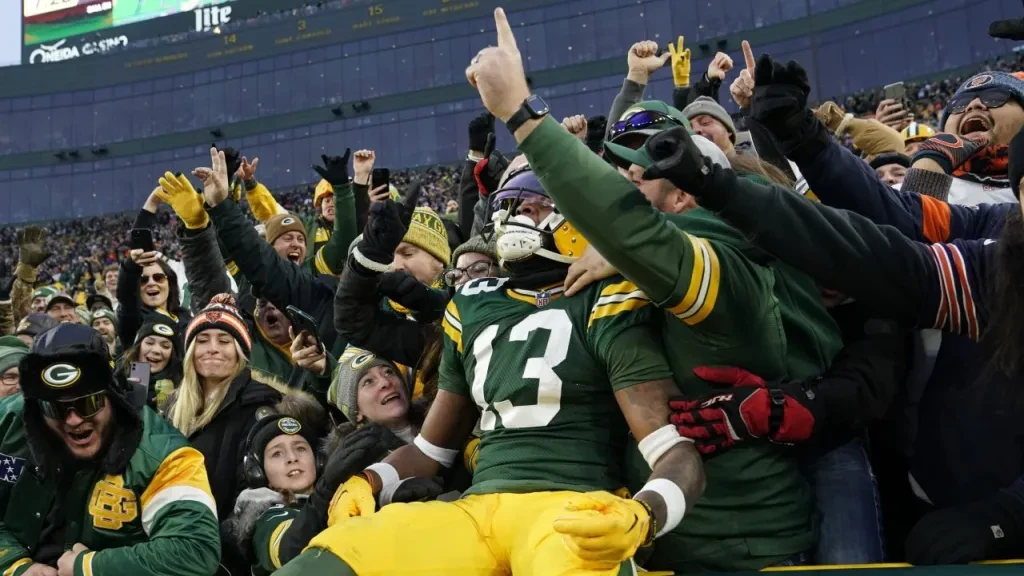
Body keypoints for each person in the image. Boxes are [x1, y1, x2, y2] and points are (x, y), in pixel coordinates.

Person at [0, 323, 220, 576]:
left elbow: (196, 550)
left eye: (88, 403)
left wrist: (90, 567)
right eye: (55, 408)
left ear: (113, 395)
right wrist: (14, 565)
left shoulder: (165, 454)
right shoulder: (8, 423)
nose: (73, 420)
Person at [165, 294, 283, 524]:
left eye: (224, 341)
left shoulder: (258, 405)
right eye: (202, 340)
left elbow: (250, 497)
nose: (212, 349)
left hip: (216, 537)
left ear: (240, 351)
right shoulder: (172, 406)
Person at [116, 248, 190, 347]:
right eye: (143, 280)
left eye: (158, 278)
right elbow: (126, 297)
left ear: (170, 284)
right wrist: (130, 266)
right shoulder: (133, 319)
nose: (151, 283)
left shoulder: (186, 318)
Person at [118, 322, 183, 410]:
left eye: (165, 346)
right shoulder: (118, 378)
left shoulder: (183, 386)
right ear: (138, 347)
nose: (156, 350)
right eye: (149, 343)